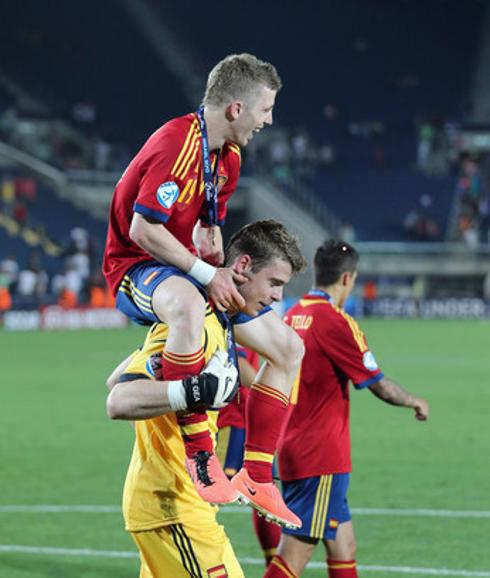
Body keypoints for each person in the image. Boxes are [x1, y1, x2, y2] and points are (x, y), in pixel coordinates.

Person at [102, 53, 305, 527]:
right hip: (135, 267)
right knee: (190, 304)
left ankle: (257, 474)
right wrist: (206, 275)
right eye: (265, 109)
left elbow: (206, 234)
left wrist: (220, 267)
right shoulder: (177, 144)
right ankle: (200, 452)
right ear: (236, 108)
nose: (269, 120)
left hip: (183, 267)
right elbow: (142, 231)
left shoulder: (228, 157)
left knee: (288, 347)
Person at [105, 220, 305, 578]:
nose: (278, 297)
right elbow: (118, 399)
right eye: (274, 283)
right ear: (242, 267)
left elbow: (115, 378)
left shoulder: (213, 322)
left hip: (178, 505)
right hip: (172, 506)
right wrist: (196, 389)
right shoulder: (194, 321)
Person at [264, 240, 429, 578]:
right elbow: (377, 383)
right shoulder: (335, 321)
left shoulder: (294, 315)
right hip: (320, 456)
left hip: (292, 444)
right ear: (347, 279)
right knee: (296, 552)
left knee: (344, 545)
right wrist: (414, 400)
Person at [216, 345, 282, 566]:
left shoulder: (244, 320)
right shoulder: (229, 317)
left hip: (251, 419)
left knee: (263, 492)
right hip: (232, 420)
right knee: (208, 494)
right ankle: (184, 551)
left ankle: (273, 564)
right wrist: (272, 394)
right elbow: (240, 367)